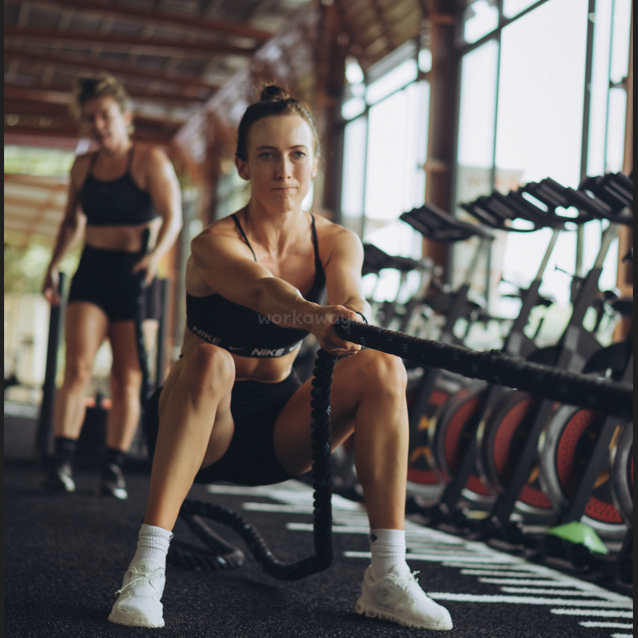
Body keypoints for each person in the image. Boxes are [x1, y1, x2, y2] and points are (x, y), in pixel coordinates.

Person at [108, 86, 452, 631]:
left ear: (314, 161)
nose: (283, 170)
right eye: (266, 155)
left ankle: (387, 575)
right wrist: (316, 317)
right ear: (243, 165)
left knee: (386, 366)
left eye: (296, 154)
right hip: (198, 426)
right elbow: (265, 293)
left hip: (279, 434)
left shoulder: (338, 240)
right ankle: (147, 569)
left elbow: (351, 295)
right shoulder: (213, 243)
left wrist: (353, 321)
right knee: (211, 361)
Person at [42, 75, 182, 499]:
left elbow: (172, 218)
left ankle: (113, 469)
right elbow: (71, 222)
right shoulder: (82, 166)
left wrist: (153, 258)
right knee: (78, 368)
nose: (99, 125)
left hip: (136, 275)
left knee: (127, 377)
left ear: (125, 117)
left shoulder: (150, 161)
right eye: (90, 118)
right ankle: (62, 462)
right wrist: (52, 266)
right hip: (92, 270)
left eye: (105, 116)